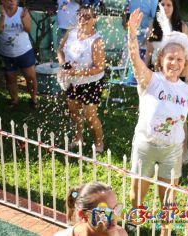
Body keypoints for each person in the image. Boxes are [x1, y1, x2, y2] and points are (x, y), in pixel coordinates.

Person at [127, 9, 188, 236]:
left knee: (168, 196)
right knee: (137, 193)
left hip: (172, 149)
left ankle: (166, 231)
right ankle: (135, 223)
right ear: (161, 60)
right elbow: (135, 59)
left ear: (185, 63)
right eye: (170, 58)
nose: (174, 63)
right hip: (146, 145)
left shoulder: (187, 92)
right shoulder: (150, 81)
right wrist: (131, 35)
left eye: (179, 59)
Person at [144, 0, 188, 164]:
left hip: (177, 78)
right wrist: (144, 75)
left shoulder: (182, 26)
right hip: (156, 77)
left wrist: (186, 80)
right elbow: (148, 52)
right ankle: (156, 148)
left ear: (174, 7)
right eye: (162, 4)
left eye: (169, 4)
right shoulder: (153, 25)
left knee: (179, 116)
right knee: (157, 113)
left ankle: (183, 151)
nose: (165, 8)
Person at [57, 4, 105, 153]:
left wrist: (78, 72)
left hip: (91, 82)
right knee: (73, 111)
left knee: (90, 116)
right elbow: (60, 50)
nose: (83, 19)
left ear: (95, 20)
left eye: (88, 16)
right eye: (81, 15)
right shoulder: (71, 32)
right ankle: (78, 138)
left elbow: (99, 67)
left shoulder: (96, 41)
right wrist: (64, 66)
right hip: (73, 81)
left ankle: (99, 143)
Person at [0, 0, 38, 108]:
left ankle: (33, 100)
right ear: (2, 2)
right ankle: (14, 101)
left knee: (31, 78)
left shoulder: (22, 12)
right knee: (10, 78)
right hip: (5, 53)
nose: (12, 1)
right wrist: (2, 18)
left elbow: (28, 29)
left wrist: (23, 20)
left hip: (24, 51)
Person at [54, 182, 127, 236]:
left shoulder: (121, 233)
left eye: (116, 209)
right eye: (104, 212)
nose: (113, 217)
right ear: (83, 215)